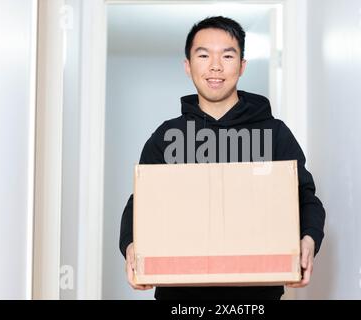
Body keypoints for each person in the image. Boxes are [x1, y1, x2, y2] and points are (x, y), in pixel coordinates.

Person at [119, 16, 325, 300]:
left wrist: (309, 238)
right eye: (203, 55)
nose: (215, 66)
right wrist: (131, 246)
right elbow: (141, 203)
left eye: (227, 56)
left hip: (257, 297)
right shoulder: (167, 136)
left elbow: (304, 197)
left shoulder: (273, 133)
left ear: (242, 66)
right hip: (181, 298)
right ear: (187, 66)